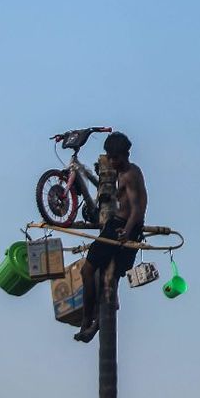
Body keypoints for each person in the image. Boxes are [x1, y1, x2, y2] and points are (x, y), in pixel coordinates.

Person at [74, 132, 147, 343]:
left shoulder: (130, 175)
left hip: (122, 227)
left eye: (116, 158)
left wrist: (127, 231)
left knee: (90, 271)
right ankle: (91, 323)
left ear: (126, 154)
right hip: (119, 225)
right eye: (110, 157)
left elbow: (137, 209)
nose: (113, 162)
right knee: (108, 280)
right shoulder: (122, 172)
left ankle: (89, 320)